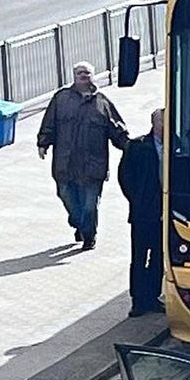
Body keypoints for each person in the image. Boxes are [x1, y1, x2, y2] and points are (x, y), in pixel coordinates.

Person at [37, 62, 129, 249]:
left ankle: (89, 236)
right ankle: (79, 223)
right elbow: (49, 123)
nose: (83, 76)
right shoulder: (61, 99)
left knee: (89, 205)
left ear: (93, 77)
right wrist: (43, 143)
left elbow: (117, 130)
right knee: (67, 197)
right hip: (65, 164)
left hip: (93, 166)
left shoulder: (102, 103)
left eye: (87, 73)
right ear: (74, 76)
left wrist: (130, 147)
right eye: (79, 73)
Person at [117, 107, 165, 317]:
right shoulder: (137, 147)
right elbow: (125, 176)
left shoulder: (179, 146)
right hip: (143, 212)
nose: (165, 126)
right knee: (139, 256)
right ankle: (138, 300)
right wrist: (136, 199)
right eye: (162, 122)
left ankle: (153, 297)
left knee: (158, 257)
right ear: (153, 124)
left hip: (167, 213)